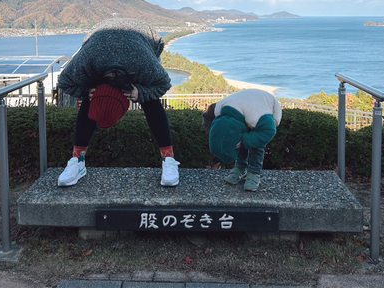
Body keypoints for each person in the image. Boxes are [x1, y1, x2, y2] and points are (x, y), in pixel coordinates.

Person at [56, 18, 180, 187]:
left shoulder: (143, 63)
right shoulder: (87, 60)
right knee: (91, 97)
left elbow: (163, 83)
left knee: (150, 100)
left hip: (144, 37)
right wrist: (87, 91)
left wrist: (140, 92)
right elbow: (64, 81)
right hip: (98, 38)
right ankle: (77, 160)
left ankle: (169, 159)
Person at [203, 89, 282, 191]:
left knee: (256, 144)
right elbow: (209, 119)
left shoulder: (258, 118)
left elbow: (269, 131)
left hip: (266, 107)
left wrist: (245, 140)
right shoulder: (218, 109)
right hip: (246, 105)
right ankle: (240, 167)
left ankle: (254, 173)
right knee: (238, 141)